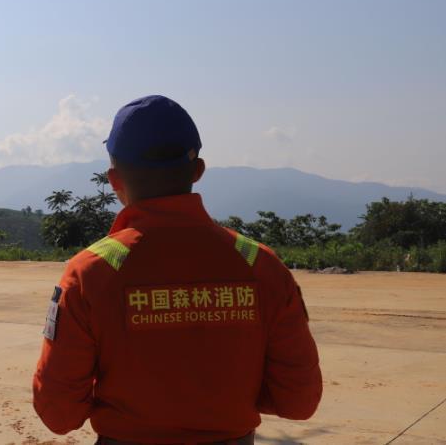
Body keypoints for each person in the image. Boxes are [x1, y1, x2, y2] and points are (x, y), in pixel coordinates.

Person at [32, 95, 322, 445]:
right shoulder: (262, 265)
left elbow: (59, 413)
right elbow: (299, 400)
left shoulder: (90, 273)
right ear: (198, 171)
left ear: (114, 179)